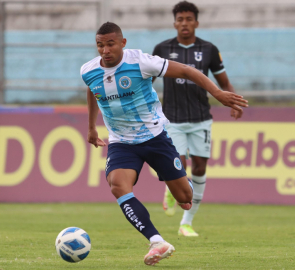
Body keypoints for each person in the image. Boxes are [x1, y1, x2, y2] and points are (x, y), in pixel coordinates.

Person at [81, 22, 247, 266]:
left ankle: (180, 184)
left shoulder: (141, 62)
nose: (104, 50)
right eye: (100, 45)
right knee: (117, 184)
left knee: (185, 198)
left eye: (110, 44)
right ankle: (157, 241)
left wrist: (218, 94)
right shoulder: (88, 70)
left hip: (154, 137)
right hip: (121, 142)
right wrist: (91, 127)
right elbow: (92, 90)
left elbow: (187, 72)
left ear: (122, 43)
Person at [152, 1, 241, 237]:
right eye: (180, 19)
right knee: (178, 164)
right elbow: (146, 82)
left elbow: (223, 82)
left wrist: (233, 101)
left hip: (201, 119)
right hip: (172, 119)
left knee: (200, 167)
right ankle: (172, 189)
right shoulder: (161, 49)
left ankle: (186, 223)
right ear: (174, 23)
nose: (184, 23)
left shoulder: (209, 50)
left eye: (188, 19)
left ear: (196, 22)